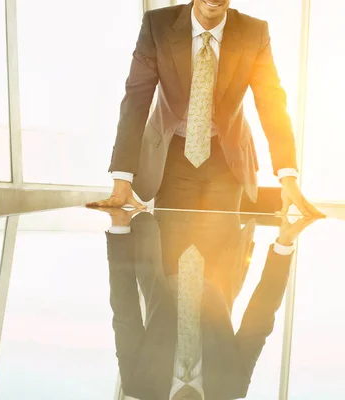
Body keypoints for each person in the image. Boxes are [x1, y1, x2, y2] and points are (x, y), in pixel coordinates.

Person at [87, 0, 324, 216]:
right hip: (172, 154)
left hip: (227, 158)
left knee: (223, 254)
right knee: (171, 248)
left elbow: (271, 102)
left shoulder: (254, 32)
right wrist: (122, 176)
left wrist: (288, 176)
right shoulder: (157, 25)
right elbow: (136, 98)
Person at [104, 209, 316, 399]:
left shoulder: (139, 383)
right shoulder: (232, 386)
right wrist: (283, 247)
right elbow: (258, 321)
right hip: (222, 251)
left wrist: (119, 232)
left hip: (163, 248)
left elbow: (125, 312)